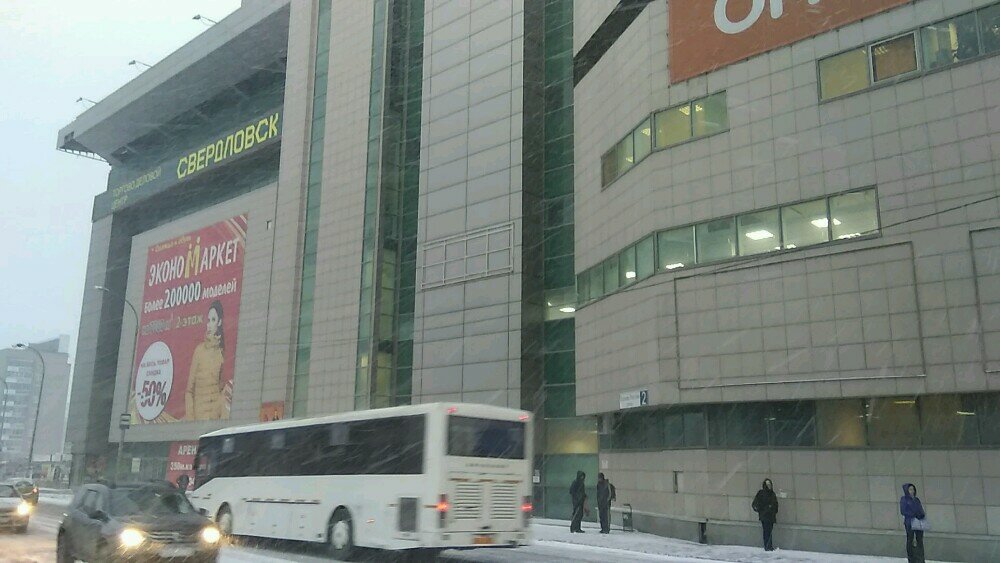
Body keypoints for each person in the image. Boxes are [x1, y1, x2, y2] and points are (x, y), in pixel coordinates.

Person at [185, 300, 228, 420]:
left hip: (214, 421)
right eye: (208, 320)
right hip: (198, 420)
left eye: (213, 320)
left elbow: (222, 391)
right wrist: (191, 420)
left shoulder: (221, 354)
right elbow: (189, 391)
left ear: (219, 322)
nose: (209, 324)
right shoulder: (199, 351)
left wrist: (221, 418)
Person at [900, 483, 926, 563]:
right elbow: (903, 511)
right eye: (910, 489)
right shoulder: (904, 499)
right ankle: (912, 559)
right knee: (910, 540)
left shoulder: (916, 499)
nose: (912, 491)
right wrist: (913, 514)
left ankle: (920, 559)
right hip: (910, 523)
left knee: (919, 540)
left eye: (913, 489)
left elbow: (920, 509)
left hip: (918, 522)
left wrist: (921, 515)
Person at [751, 478, 778, 551]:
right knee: (766, 531)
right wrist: (762, 510)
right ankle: (767, 546)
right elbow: (755, 504)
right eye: (767, 484)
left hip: (771, 516)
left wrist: (773, 510)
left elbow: (775, 504)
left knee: (769, 531)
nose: (769, 486)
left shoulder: (772, 494)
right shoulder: (761, 493)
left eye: (770, 484)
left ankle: (769, 546)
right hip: (765, 516)